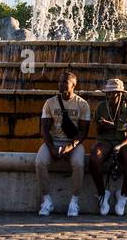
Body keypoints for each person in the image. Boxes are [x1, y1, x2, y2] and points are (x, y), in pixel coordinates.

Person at [37, 70, 90, 216]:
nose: (60, 84)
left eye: (64, 82)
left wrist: (70, 146)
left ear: (73, 85)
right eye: (59, 81)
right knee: (40, 162)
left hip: (73, 143)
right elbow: (45, 129)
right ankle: (47, 200)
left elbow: (83, 133)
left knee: (79, 164)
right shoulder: (50, 103)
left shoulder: (82, 104)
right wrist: (52, 148)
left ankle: (74, 201)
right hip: (53, 140)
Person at [90, 78, 127, 216]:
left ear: (121, 94)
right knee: (94, 158)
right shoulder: (101, 107)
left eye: (115, 93)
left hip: (122, 141)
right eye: (110, 93)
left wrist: (120, 146)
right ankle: (102, 194)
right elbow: (97, 131)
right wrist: (103, 126)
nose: (112, 96)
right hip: (104, 141)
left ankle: (122, 195)